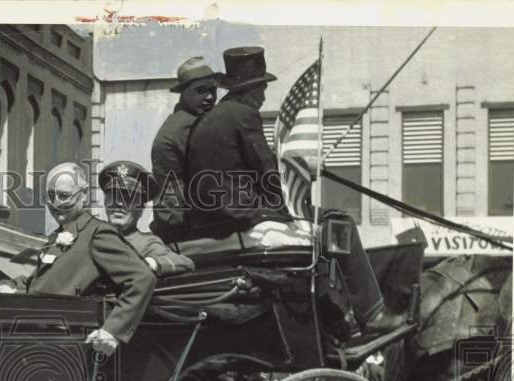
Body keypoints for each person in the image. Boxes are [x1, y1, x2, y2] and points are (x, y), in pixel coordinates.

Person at [184, 46, 403, 335]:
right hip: (242, 218)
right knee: (338, 224)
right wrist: (288, 207)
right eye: (261, 87)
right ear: (249, 89)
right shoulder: (243, 115)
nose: (263, 95)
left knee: (316, 232)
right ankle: (370, 313)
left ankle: (332, 320)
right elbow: (268, 173)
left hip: (214, 220)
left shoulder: (208, 120)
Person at [0, 162, 157, 356]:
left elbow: (142, 278)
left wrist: (112, 331)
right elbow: (41, 285)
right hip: (40, 341)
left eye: (64, 195)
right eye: (50, 195)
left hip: (66, 347)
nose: (56, 203)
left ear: (84, 196)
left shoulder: (97, 233)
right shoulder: (59, 236)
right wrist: (10, 286)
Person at [149, 56, 223, 242]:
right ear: (184, 93)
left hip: (178, 221)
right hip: (183, 228)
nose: (209, 97)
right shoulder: (187, 128)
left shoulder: (186, 121)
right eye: (200, 91)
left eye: (213, 91)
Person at [98, 160, 194, 276]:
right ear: (105, 202)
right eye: (114, 197)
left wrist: (149, 263)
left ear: (140, 210)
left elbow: (185, 263)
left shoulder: (146, 243)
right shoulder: (92, 235)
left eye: (128, 199)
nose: (119, 204)